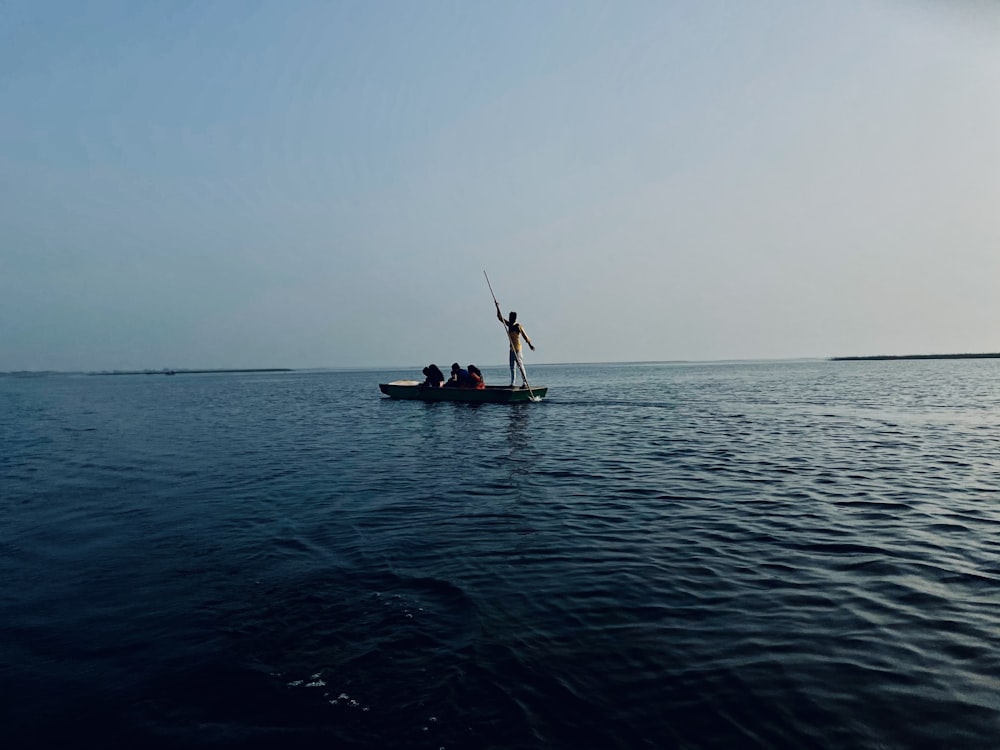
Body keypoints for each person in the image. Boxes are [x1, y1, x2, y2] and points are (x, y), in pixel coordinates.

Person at [495, 302, 534, 387]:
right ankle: (513, 383)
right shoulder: (509, 324)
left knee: (520, 366)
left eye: (510, 317)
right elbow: (500, 318)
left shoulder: (518, 326)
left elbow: (524, 335)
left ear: (514, 318)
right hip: (511, 349)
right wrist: (497, 307)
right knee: (512, 367)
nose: (509, 318)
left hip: (518, 349)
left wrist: (530, 344)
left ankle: (525, 382)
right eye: (509, 317)